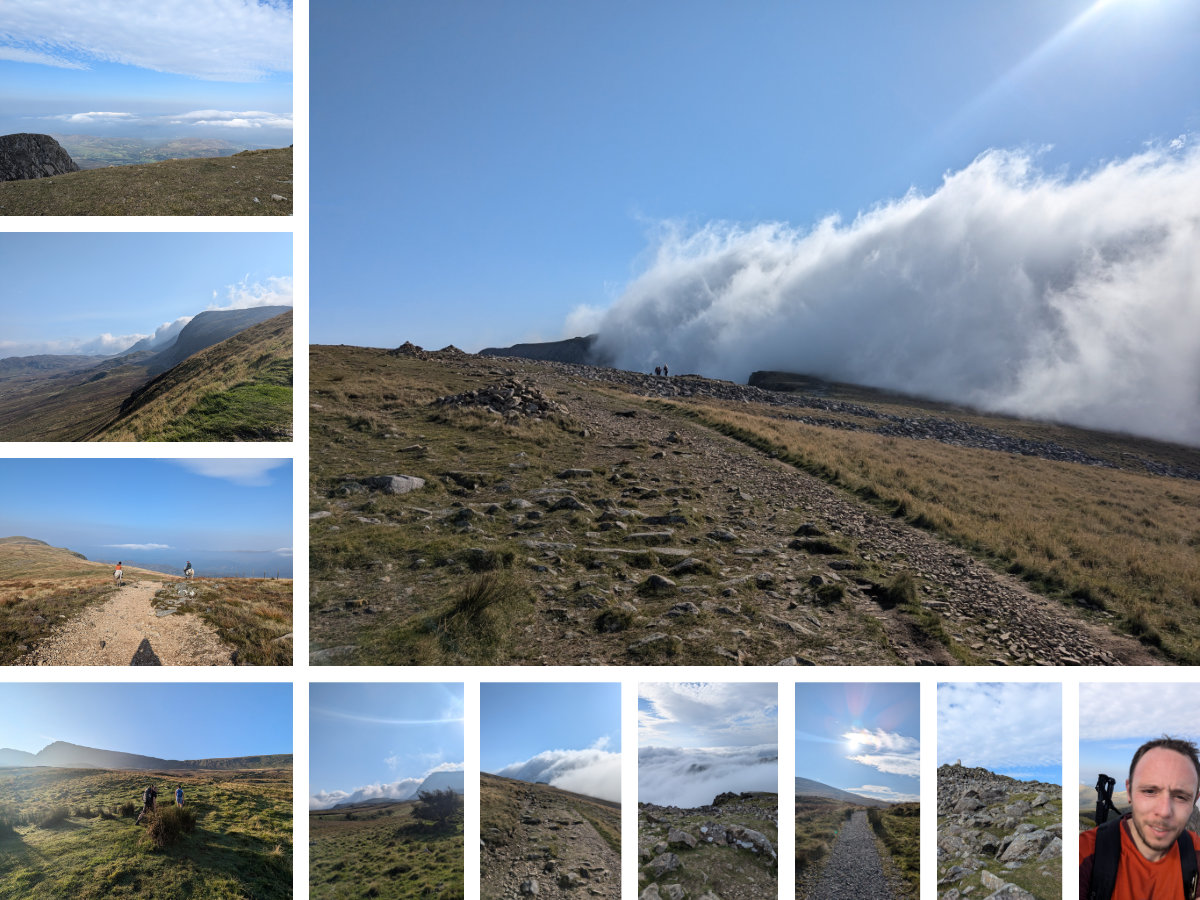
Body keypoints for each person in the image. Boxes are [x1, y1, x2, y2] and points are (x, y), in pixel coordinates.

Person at [1080, 737, 1200, 900]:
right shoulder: (1085, 852)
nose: (1164, 811)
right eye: (1150, 791)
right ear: (1129, 791)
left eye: (1180, 796)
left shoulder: (1195, 853)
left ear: (1194, 801)